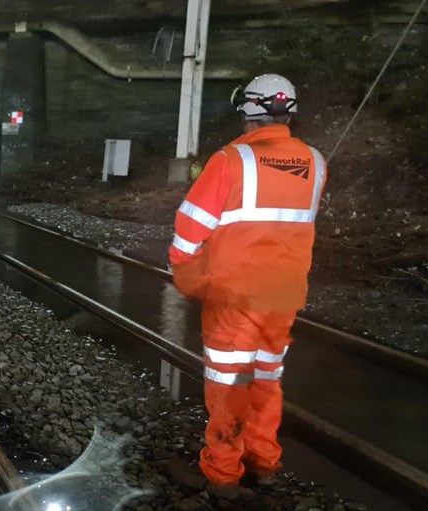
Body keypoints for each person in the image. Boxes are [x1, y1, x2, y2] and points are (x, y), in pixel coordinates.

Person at [168, 74, 327, 496]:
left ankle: (222, 476)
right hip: (283, 297)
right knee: (266, 378)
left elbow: (190, 225)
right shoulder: (315, 161)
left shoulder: (231, 160)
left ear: (248, 110)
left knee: (229, 382)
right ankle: (264, 462)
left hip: (235, 297)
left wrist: (185, 272)